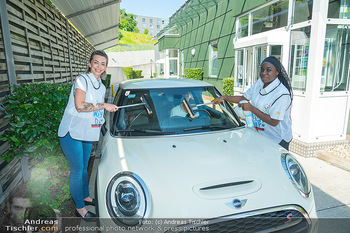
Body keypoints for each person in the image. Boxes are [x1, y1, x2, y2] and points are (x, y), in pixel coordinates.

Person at [58, 50, 118, 220]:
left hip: (86, 131)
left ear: (106, 67)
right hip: (72, 132)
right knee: (77, 170)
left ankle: (85, 196)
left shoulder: (102, 86)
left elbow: (96, 113)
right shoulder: (81, 80)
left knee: (84, 167)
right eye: (96, 62)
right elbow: (80, 106)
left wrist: (102, 125)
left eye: (103, 64)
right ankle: (80, 208)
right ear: (90, 63)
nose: (99, 66)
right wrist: (104, 105)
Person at [212, 56, 293, 150]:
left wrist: (250, 108)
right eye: (262, 70)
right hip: (260, 136)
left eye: (268, 70)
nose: (263, 73)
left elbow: (274, 121)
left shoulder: (281, 94)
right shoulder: (260, 82)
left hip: (277, 140)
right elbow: (244, 98)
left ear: (277, 72)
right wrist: (224, 98)